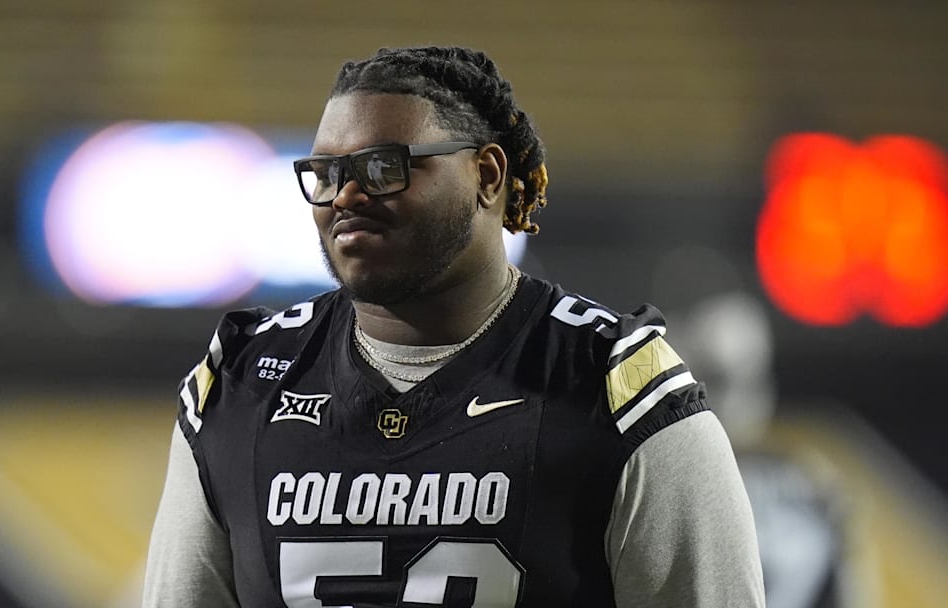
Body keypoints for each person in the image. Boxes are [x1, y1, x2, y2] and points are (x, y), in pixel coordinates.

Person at [143, 45, 765, 607]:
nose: (346, 197)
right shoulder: (242, 385)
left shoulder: (617, 388)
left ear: (487, 176)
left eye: (384, 168)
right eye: (327, 175)